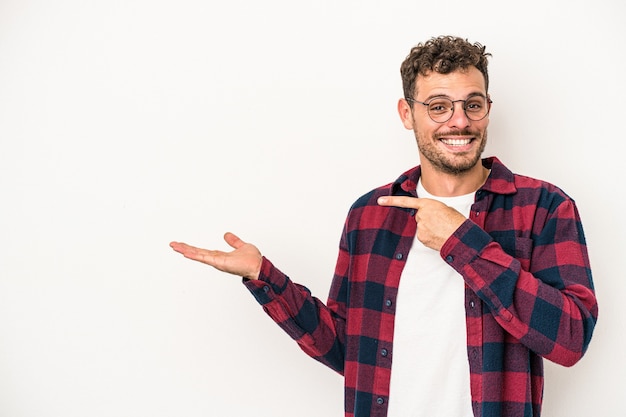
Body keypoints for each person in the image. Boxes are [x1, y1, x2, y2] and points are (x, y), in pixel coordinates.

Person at [170, 35, 598, 417]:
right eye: (438, 106)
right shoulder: (370, 214)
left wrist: (460, 241)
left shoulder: (544, 206)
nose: (459, 121)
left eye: (473, 103)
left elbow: (570, 338)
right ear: (407, 114)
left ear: (487, 108)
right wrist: (264, 278)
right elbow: (348, 349)